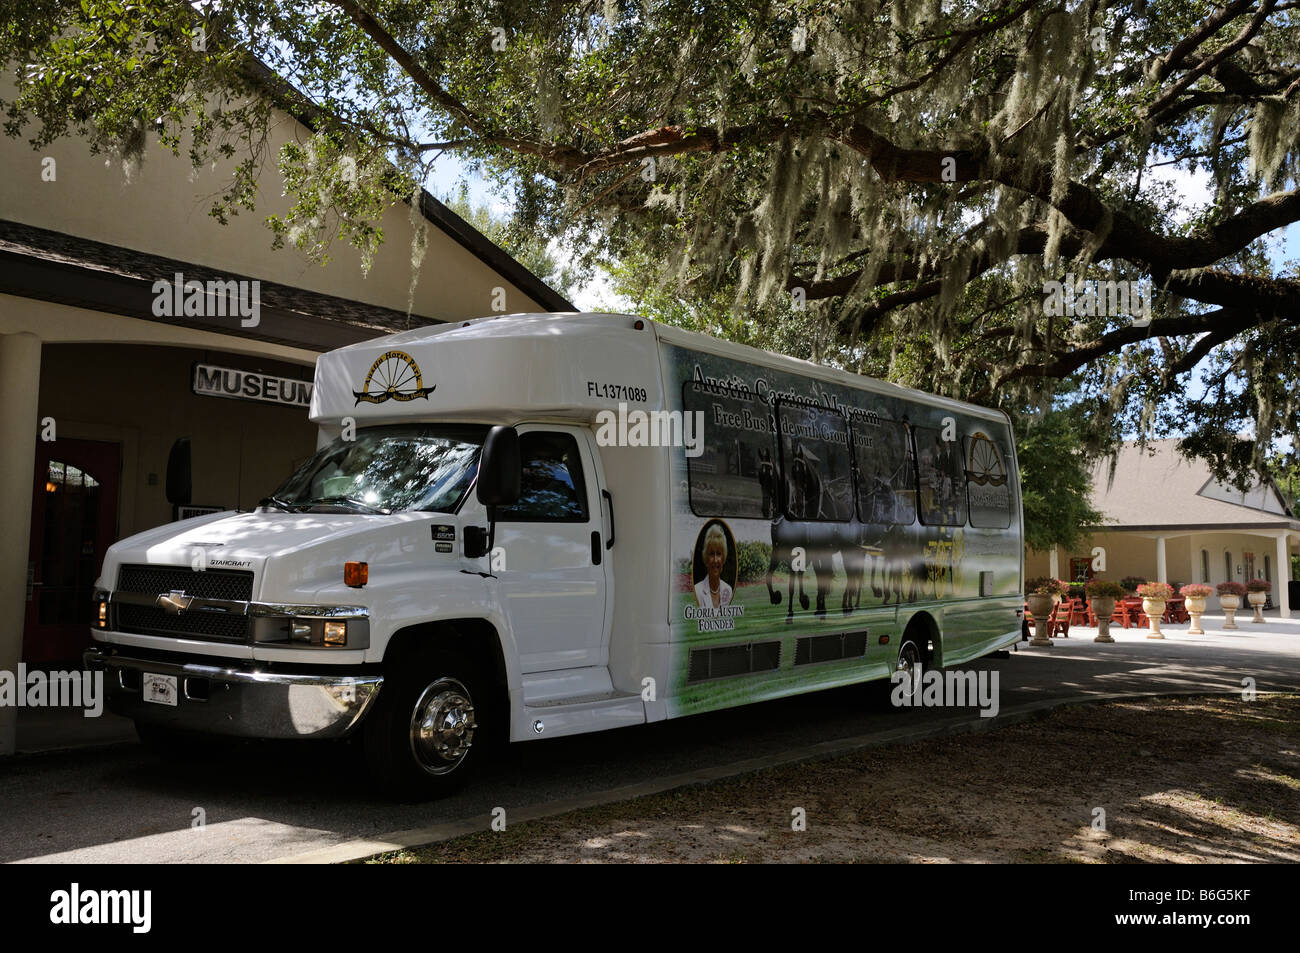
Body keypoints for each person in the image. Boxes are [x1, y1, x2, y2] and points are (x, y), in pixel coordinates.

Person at [694, 523, 733, 608]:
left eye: (719, 554)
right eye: (711, 554)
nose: (715, 560)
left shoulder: (728, 590)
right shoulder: (697, 591)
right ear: (706, 558)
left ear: (723, 558)